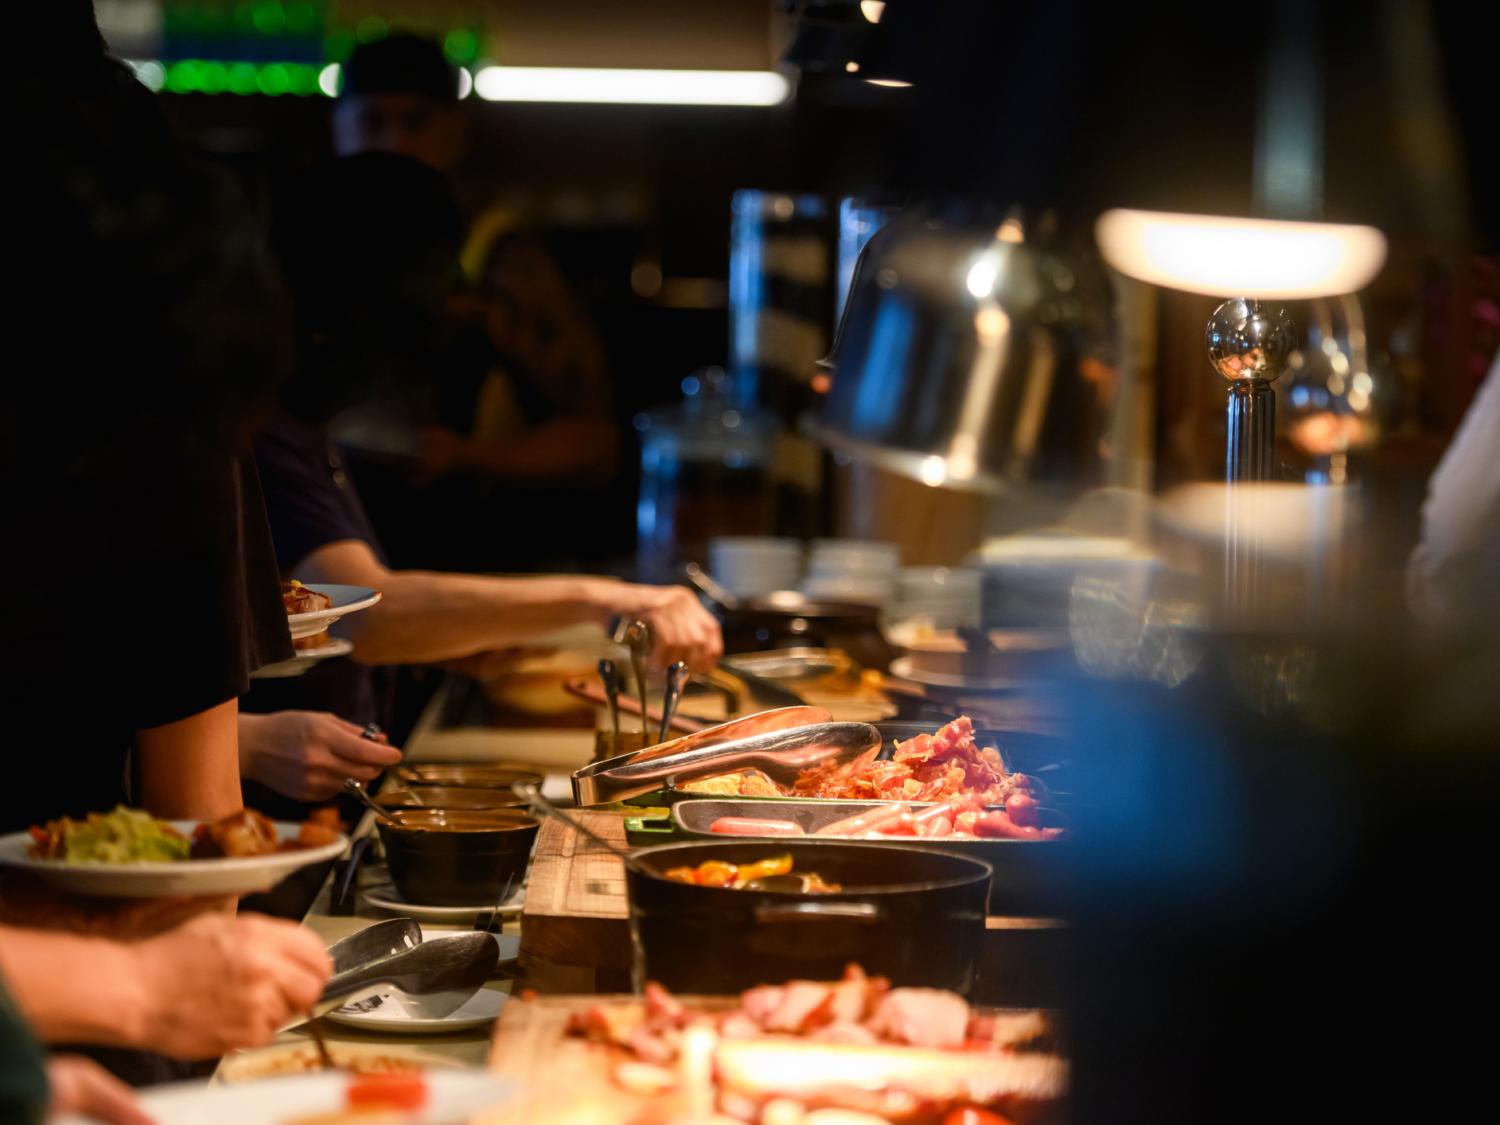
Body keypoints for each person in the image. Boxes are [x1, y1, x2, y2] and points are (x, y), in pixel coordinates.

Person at [241, 154, 720, 805]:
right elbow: (370, 616)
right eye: (437, 292)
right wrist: (615, 600)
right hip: (286, 820)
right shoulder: (265, 435)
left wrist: (449, 640)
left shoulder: (306, 428)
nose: (456, 316)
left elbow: (326, 622)